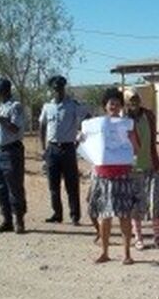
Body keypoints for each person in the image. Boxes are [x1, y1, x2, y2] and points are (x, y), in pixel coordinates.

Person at [86, 88, 139, 265]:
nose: (114, 106)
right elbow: (86, 143)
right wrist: (82, 138)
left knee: (124, 216)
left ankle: (126, 254)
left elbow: (136, 148)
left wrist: (131, 144)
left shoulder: (126, 125)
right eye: (111, 103)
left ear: (120, 106)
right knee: (105, 216)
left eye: (117, 103)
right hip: (103, 175)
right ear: (105, 106)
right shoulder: (96, 126)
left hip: (122, 174)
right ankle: (105, 252)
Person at [39, 75, 84, 226]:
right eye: (55, 88)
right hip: (52, 149)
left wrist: (79, 140)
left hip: (68, 149)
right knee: (53, 185)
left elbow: (87, 118)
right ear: (52, 90)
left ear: (64, 89)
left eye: (60, 88)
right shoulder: (47, 107)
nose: (58, 91)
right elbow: (42, 126)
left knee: (72, 185)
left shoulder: (72, 105)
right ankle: (57, 214)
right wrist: (43, 148)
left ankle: (75, 216)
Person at [125, 89, 159, 251]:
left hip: (150, 164)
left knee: (154, 201)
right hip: (132, 168)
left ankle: (158, 237)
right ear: (127, 102)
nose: (134, 102)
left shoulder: (148, 115)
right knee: (135, 204)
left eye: (136, 99)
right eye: (130, 99)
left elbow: (152, 139)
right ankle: (138, 237)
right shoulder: (124, 119)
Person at [0, 78, 27, 234]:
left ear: (4, 90)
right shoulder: (1, 107)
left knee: (14, 187)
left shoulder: (15, 107)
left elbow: (15, 128)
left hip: (11, 151)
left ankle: (19, 221)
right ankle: (7, 220)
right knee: (0, 187)